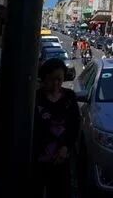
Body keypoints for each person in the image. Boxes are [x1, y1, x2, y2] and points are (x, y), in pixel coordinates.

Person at [32, 59, 80, 198]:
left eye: (59, 79)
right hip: (38, 161)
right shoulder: (36, 98)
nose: (55, 84)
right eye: (51, 79)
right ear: (44, 79)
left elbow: (74, 125)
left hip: (61, 160)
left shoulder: (69, 97)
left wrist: (66, 147)